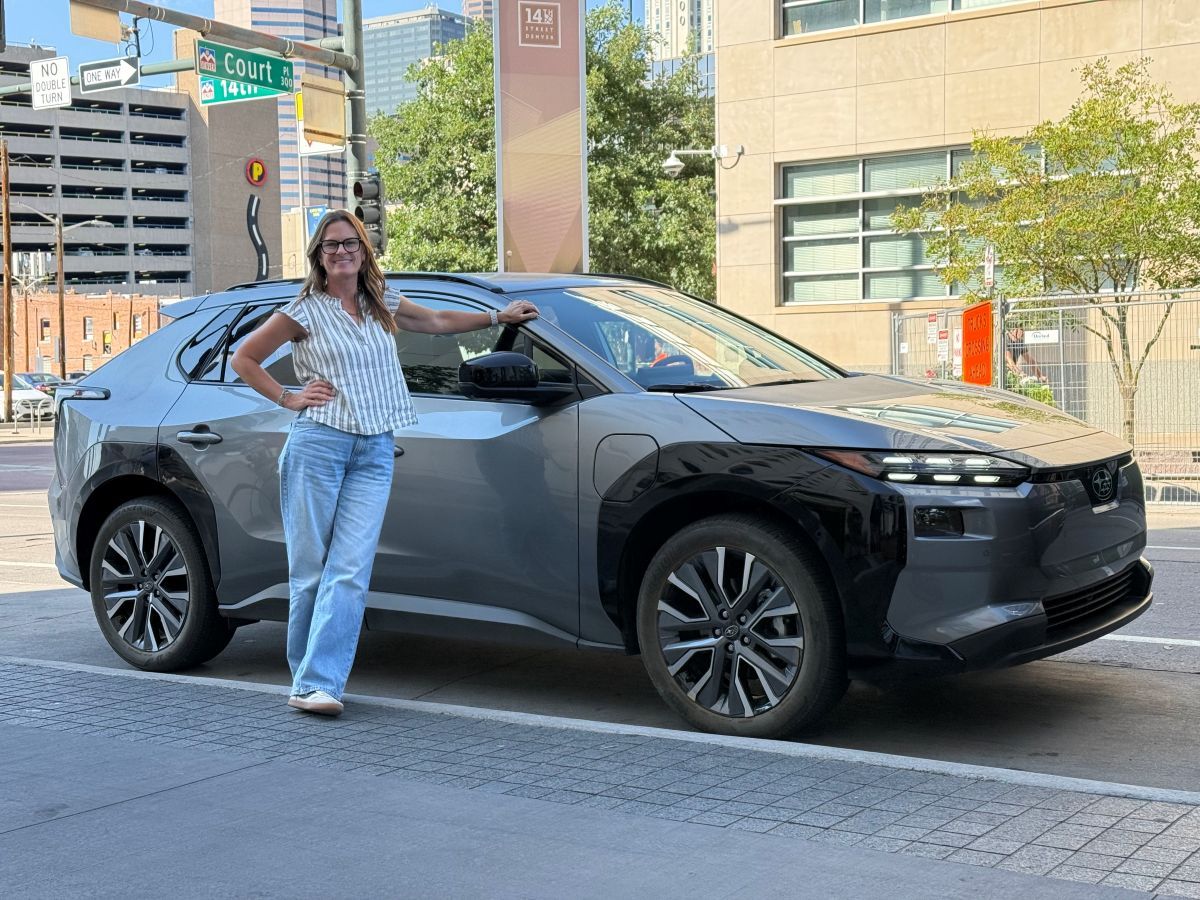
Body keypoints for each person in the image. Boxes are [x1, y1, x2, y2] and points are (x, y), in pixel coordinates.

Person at [230, 210, 538, 716]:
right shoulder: (303, 311)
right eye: (331, 246)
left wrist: (495, 318)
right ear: (319, 256)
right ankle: (308, 680)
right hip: (319, 445)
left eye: (350, 243)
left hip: (374, 450)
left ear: (363, 249)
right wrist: (288, 397)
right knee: (310, 571)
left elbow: (436, 322)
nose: (342, 252)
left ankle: (318, 682)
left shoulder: (382, 303)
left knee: (348, 570)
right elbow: (246, 358)